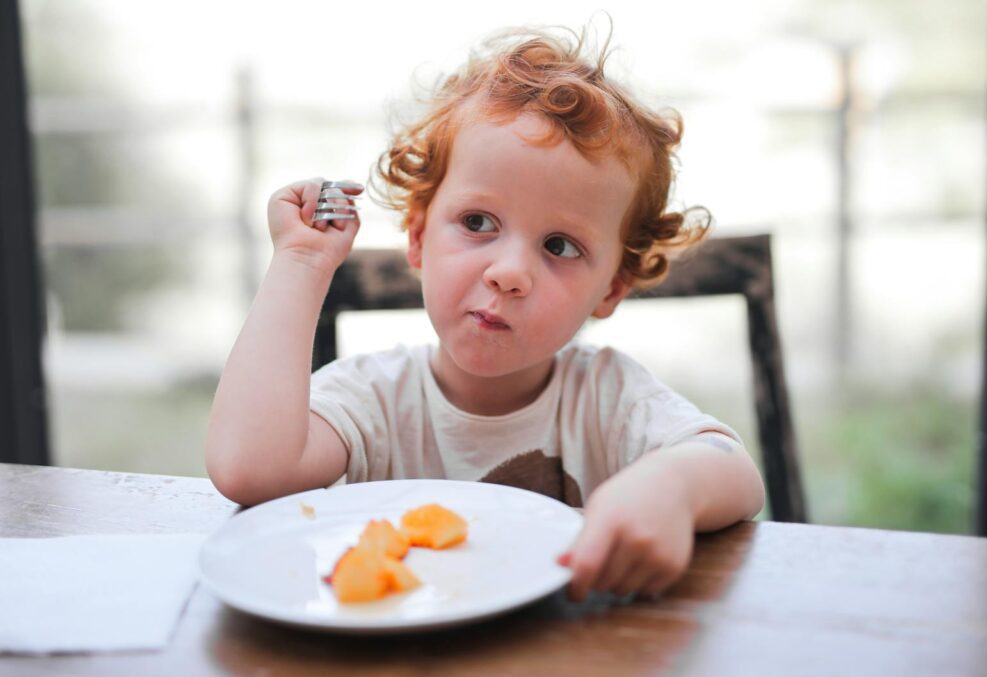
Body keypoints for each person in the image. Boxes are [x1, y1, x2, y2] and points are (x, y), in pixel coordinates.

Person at [205, 23, 765, 602]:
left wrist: (670, 486)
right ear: (419, 237)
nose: (509, 272)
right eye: (478, 224)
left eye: (559, 247)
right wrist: (300, 263)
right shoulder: (374, 398)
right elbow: (248, 468)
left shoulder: (606, 398)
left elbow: (734, 471)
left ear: (611, 288)